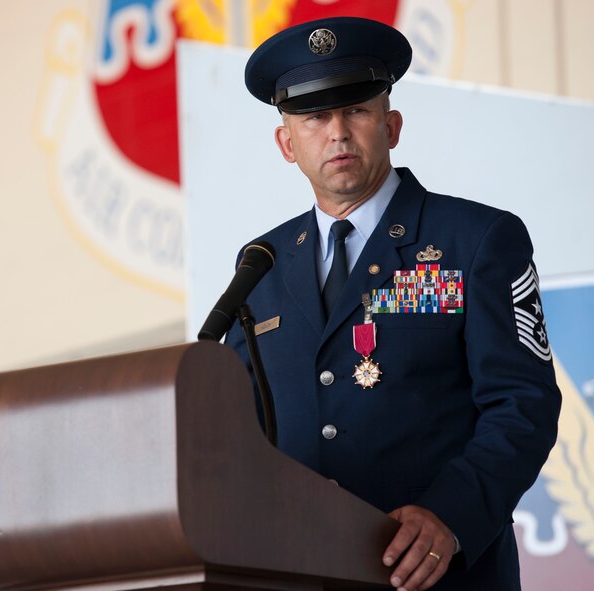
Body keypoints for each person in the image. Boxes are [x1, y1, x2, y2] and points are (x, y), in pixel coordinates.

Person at [224, 16, 562, 591]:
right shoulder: (261, 266)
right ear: (287, 144)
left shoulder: (477, 240)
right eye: (312, 117)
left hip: (438, 577)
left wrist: (452, 517)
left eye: (356, 110)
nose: (337, 132)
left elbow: (522, 405)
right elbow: (235, 431)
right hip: (301, 572)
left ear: (392, 125)